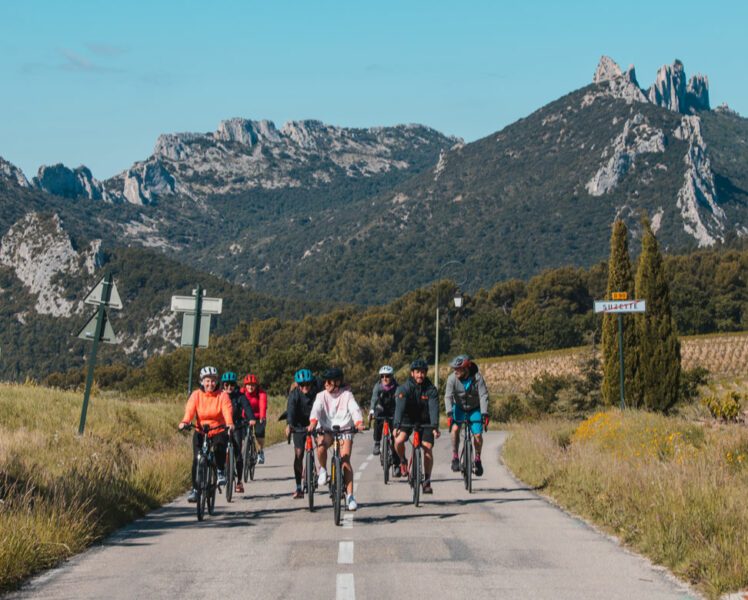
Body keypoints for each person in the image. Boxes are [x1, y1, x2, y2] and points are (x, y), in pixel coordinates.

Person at [308, 367, 365, 511]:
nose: (325, 383)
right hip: (327, 429)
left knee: (345, 461)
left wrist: (358, 423)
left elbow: (354, 409)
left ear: (337, 382)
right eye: (324, 381)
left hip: (344, 429)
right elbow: (316, 408)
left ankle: (351, 496)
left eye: (329, 381)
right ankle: (323, 470)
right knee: (321, 445)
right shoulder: (321, 396)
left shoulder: (347, 395)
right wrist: (313, 422)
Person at [178, 366, 234, 502]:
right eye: (207, 381)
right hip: (201, 430)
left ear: (217, 381)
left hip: (218, 429)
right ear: (202, 381)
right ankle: (196, 489)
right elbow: (190, 409)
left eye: (213, 381)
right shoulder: (196, 395)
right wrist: (185, 421)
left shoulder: (222, 395)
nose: (210, 384)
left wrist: (229, 422)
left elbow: (227, 409)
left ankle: (220, 470)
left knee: (220, 448)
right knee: (197, 459)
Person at [393, 359, 440, 494]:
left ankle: (427, 480)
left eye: (423, 372)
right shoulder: (404, 388)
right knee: (398, 440)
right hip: (408, 419)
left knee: (427, 447)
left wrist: (435, 427)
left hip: (425, 420)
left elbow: (433, 409)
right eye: (417, 372)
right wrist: (396, 425)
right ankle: (402, 460)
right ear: (412, 373)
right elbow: (400, 408)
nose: (420, 375)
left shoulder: (431, 389)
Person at [444, 354, 490, 476]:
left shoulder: (478, 378)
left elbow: (483, 395)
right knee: (455, 429)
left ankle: (478, 459)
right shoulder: (452, 379)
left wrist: (484, 414)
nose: (455, 371)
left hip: (475, 409)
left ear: (466, 369)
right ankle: (455, 457)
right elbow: (448, 396)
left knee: (478, 436)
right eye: (454, 368)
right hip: (458, 408)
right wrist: (449, 414)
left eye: (458, 369)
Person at [285, 368, 322, 498]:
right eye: (302, 385)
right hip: (299, 423)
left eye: (307, 384)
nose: (305, 387)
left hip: (315, 421)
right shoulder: (294, 394)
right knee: (299, 454)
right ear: (298, 385)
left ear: (312, 383)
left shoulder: (318, 390)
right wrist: (289, 425)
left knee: (320, 444)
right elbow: (290, 410)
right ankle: (298, 486)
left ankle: (320, 469)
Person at [221, 371, 257, 494]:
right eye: (226, 385)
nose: (229, 388)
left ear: (235, 385)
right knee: (218, 449)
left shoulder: (240, 396)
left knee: (238, 455)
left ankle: (239, 482)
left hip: (236, 425)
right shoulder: (219, 396)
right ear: (223, 385)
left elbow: (247, 407)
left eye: (231, 385)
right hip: (222, 426)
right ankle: (220, 472)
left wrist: (251, 418)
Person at [369, 365, 398, 456]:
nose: (385, 378)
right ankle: (377, 443)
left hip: (392, 409)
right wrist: (371, 411)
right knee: (377, 421)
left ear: (392, 376)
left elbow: (399, 401)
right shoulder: (377, 386)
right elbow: (374, 399)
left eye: (387, 376)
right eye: (382, 376)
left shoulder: (396, 387)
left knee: (395, 428)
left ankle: (394, 446)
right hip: (381, 408)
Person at [241, 374, 268, 463]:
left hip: (257, 417)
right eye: (248, 385)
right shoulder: (242, 392)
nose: (251, 387)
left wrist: (262, 417)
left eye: (253, 385)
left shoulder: (260, 393)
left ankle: (260, 451)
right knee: (242, 437)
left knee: (259, 432)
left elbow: (262, 405)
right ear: (245, 386)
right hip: (245, 417)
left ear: (256, 386)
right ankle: (243, 456)